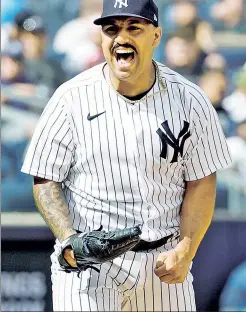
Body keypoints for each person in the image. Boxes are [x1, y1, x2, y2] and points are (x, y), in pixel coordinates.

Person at [21, 0, 232, 311]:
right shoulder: (71, 98)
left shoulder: (190, 101)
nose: (121, 37)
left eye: (134, 28)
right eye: (111, 29)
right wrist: (68, 238)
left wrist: (186, 250)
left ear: (156, 36)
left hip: (161, 263)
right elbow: (45, 179)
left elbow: (202, 181)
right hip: (89, 267)